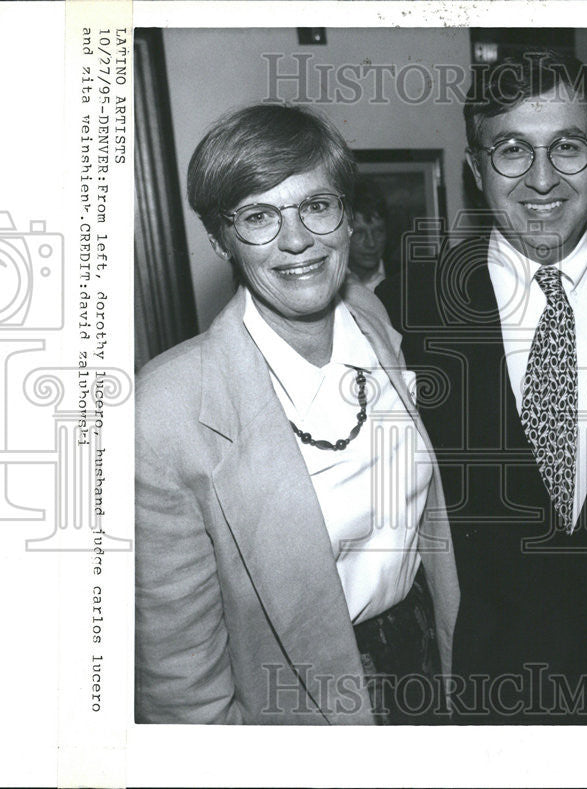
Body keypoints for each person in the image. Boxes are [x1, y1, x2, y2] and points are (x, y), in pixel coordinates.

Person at [380, 50, 587, 722]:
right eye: (512, 149)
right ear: (473, 166)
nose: (543, 178)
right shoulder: (408, 311)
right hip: (477, 693)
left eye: (568, 146)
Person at [135, 104, 459, 725]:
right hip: (302, 705)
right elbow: (181, 689)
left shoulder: (373, 318)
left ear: (344, 213)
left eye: (316, 205)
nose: (296, 239)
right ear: (218, 237)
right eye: (258, 215)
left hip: (427, 664)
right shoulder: (166, 412)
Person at [348, 176, 392, 291]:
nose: (371, 243)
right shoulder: (330, 286)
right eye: (359, 233)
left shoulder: (406, 280)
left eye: (378, 231)